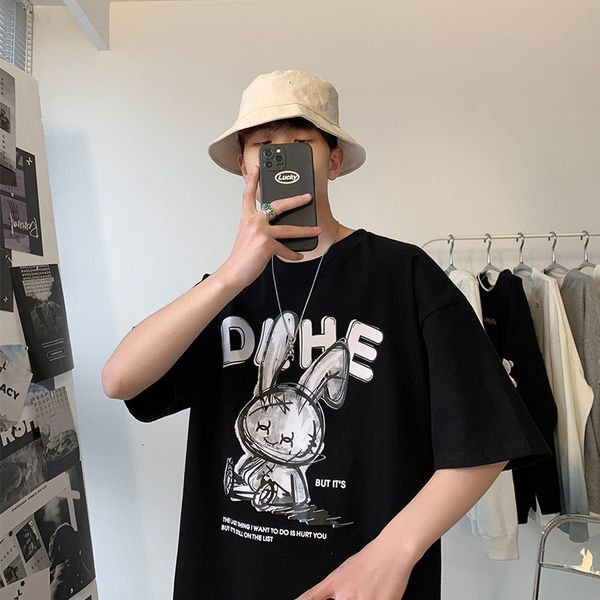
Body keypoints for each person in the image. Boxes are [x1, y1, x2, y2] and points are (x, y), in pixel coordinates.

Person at [102, 69, 550, 599]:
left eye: (300, 142)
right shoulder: (225, 292)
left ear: (333, 161)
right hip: (226, 582)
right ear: (244, 167)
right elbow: (120, 380)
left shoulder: (404, 276)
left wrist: (391, 554)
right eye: (263, 146)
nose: (281, 157)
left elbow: (488, 437)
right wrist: (229, 276)